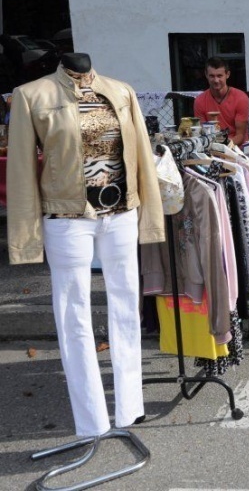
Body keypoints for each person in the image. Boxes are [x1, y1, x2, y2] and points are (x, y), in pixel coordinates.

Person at [7, 52, 164, 438]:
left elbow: (141, 155)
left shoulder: (120, 91)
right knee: (73, 313)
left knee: (128, 306)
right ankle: (91, 420)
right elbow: (22, 168)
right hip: (67, 218)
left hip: (122, 213)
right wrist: (26, 237)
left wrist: (150, 214)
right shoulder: (32, 95)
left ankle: (129, 409)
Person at [193, 57, 249, 146]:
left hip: (236, 148)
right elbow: (202, 133)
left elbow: (240, 135)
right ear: (206, 75)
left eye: (219, 76)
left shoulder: (241, 98)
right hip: (211, 147)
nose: (216, 80)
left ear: (227, 74)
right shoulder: (199, 100)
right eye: (212, 76)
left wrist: (224, 147)